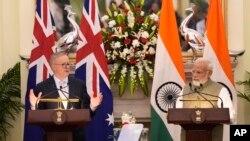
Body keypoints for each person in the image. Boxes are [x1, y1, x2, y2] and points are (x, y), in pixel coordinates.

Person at [29, 52, 103, 141]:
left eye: (68, 64)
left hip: (76, 137)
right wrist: (34, 106)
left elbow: (86, 114)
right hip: (52, 137)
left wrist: (92, 107)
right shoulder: (42, 87)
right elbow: (39, 118)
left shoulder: (79, 85)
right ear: (53, 66)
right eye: (63, 64)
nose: (67, 66)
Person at [176, 58, 235, 141]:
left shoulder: (221, 90)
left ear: (209, 73)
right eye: (193, 71)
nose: (195, 75)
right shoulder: (185, 90)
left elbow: (231, 116)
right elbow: (177, 113)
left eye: (199, 72)